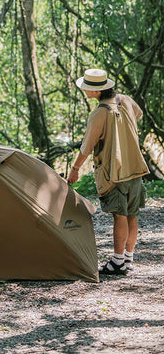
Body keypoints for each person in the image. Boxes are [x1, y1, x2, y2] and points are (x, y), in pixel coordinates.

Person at [67, 69, 149, 275]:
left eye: (87, 88)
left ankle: (117, 261)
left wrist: (75, 169)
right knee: (132, 214)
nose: (84, 90)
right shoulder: (126, 100)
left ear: (96, 91)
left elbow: (87, 146)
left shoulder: (99, 113)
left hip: (115, 171)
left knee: (119, 216)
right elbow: (138, 115)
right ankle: (128, 259)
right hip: (136, 168)